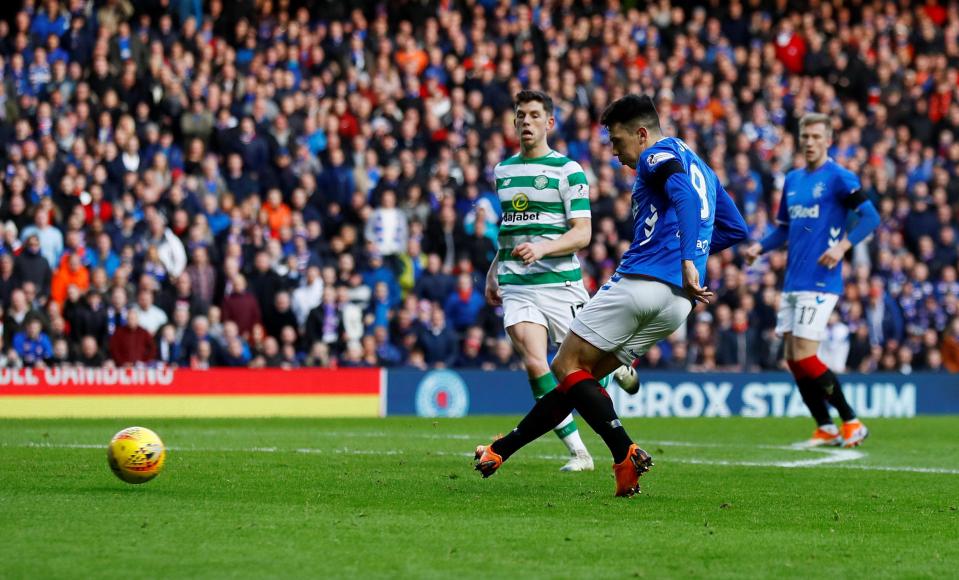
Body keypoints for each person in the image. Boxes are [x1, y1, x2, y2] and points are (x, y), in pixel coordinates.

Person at [475, 94, 748, 496]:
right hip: (677, 305)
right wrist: (688, 259)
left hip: (641, 281)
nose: (615, 153)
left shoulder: (658, 154)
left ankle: (624, 450)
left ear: (641, 134)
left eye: (618, 142)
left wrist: (687, 257)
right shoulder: (702, 166)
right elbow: (735, 228)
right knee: (579, 380)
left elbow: (683, 198)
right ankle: (501, 450)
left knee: (565, 367)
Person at [744, 113, 880, 448]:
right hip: (793, 280)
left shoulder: (838, 177)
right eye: (805, 136)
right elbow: (784, 229)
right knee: (792, 358)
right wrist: (760, 247)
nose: (809, 142)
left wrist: (843, 246)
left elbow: (871, 216)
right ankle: (825, 426)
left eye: (816, 137)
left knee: (805, 355)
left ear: (828, 140)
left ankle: (851, 421)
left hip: (821, 280)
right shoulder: (792, 180)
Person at [483, 90, 600, 471]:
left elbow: (582, 233)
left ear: (549, 123)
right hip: (518, 284)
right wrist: (493, 270)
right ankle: (579, 452)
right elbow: (510, 229)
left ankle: (620, 367)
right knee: (535, 361)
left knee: (579, 371)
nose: (526, 122)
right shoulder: (503, 171)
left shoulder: (568, 170)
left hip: (561, 283)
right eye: (521, 116)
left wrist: (544, 248)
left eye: (534, 115)